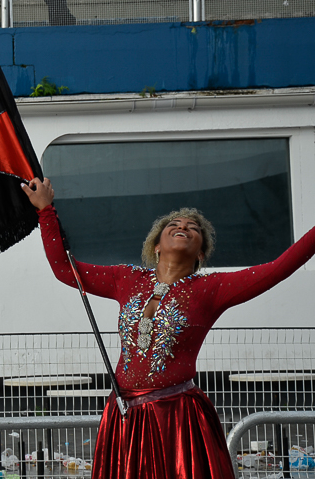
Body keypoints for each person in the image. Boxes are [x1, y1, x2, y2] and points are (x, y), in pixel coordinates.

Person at [21, 177, 315, 479]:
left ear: (201, 252)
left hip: (177, 420)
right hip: (125, 419)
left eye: (194, 228)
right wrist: (45, 210)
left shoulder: (212, 288)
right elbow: (63, 269)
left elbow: (279, 268)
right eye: (174, 224)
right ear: (157, 245)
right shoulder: (126, 278)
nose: (184, 227)